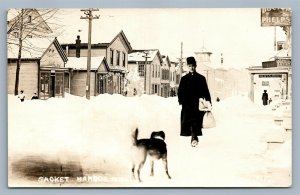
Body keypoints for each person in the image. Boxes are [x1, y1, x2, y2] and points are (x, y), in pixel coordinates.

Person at [178, 56, 211, 147]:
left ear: (195, 66)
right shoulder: (184, 79)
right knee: (189, 122)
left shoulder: (201, 78)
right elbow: (180, 91)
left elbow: (206, 91)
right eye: (189, 66)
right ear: (187, 67)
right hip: (187, 105)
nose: (191, 68)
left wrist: (208, 102)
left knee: (196, 121)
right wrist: (181, 101)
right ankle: (193, 137)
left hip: (198, 104)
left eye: (193, 66)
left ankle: (194, 137)